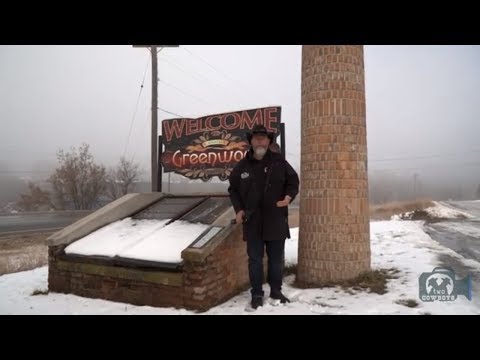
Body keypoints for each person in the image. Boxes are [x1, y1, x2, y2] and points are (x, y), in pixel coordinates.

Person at [228, 124, 299, 309]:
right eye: (256, 137)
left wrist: (288, 197)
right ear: (251, 141)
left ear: (269, 141)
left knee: (276, 260)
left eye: (263, 137)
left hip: (275, 219)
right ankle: (257, 294)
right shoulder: (242, 166)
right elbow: (233, 189)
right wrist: (239, 209)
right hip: (252, 222)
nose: (260, 140)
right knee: (255, 261)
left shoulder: (279, 162)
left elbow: (293, 181)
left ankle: (276, 291)